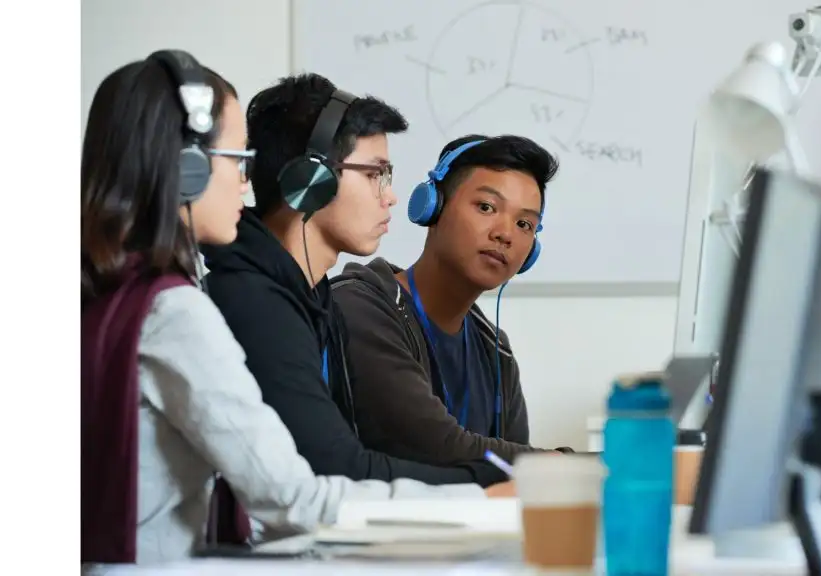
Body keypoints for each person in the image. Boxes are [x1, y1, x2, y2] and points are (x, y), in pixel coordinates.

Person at [81, 53, 501, 567]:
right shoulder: (178, 312)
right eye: (237, 159)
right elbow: (295, 499)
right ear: (187, 170)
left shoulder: (117, 293)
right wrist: (483, 497)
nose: (246, 181)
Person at [201, 73, 512, 487]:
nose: (390, 196)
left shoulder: (312, 298)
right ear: (312, 180)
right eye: (373, 175)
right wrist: (488, 483)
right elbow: (335, 466)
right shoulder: (254, 303)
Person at [331, 134, 568, 466]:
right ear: (433, 207)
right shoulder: (361, 307)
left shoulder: (494, 350)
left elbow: (518, 478)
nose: (505, 233)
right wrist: (570, 465)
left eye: (525, 223)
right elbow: (435, 445)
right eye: (486, 207)